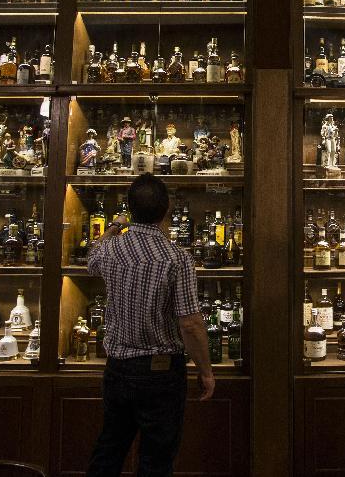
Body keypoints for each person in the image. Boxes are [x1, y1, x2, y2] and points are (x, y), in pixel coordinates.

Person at [86, 173, 215, 477]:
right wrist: (205, 370)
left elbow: (91, 258)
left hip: (118, 368)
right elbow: (191, 324)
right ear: (167, 208)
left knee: (109, 451)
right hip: (160, 372)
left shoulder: (110, 249)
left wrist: (116, 227)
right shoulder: (176, 258)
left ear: (129, 208)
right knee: (156, 460)